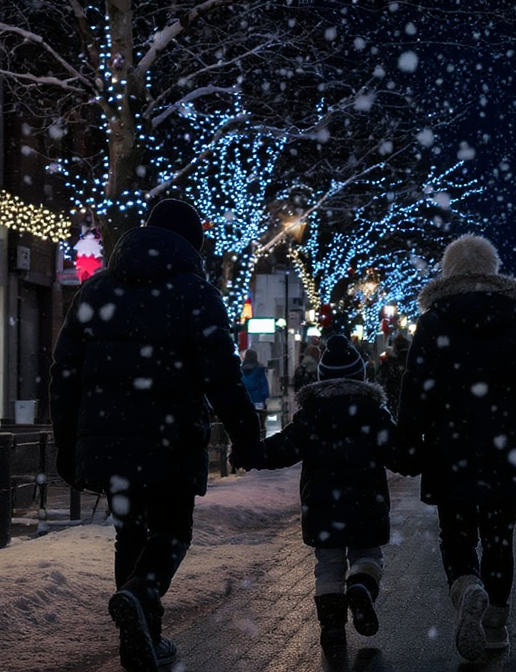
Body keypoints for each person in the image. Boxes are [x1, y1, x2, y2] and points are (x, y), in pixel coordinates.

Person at [49, 198, 264, 672]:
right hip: (169, 439)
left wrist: (66, 443)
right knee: (171, 529)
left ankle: (144, 633)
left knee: (130, 532)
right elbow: (222, 377)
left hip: (106, 442)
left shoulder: (96, 290)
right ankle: (140, 596)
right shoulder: (195, 293)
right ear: (194, 244)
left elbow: (64, 373)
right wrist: (247, 437)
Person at [395, 234, 516, 662]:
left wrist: (409, 440)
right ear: (493, 269)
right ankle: (496, 626)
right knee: (500, 537)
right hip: (507, 446)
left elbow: (415, 390)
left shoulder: (433, 323)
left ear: (449, 272)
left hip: (451, 446)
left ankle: (467, 584)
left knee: (457, 533)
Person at [233, 335, 404, 663]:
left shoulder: (311, 414)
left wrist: (251, 453)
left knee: (328, 563)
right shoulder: (373, 412)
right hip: (366, 500)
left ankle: (331, 628)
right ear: (361, 376)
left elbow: (283, 448)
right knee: (368, 553)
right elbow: (398, 453)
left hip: (322, 503)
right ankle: (361, 588)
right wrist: (425, 455)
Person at [376, 333, 412, 417]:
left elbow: (380, 378)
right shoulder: (411, 361)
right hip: (407, 399)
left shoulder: (390, 362)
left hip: (393, 397)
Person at [241, 349, 271, 432]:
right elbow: (263, 384)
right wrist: (266, 396)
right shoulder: (259, 369)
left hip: (246, 399)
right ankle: (261, 433)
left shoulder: (241, 369)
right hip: (259, 399)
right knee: (260, 422)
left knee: (247, 419)